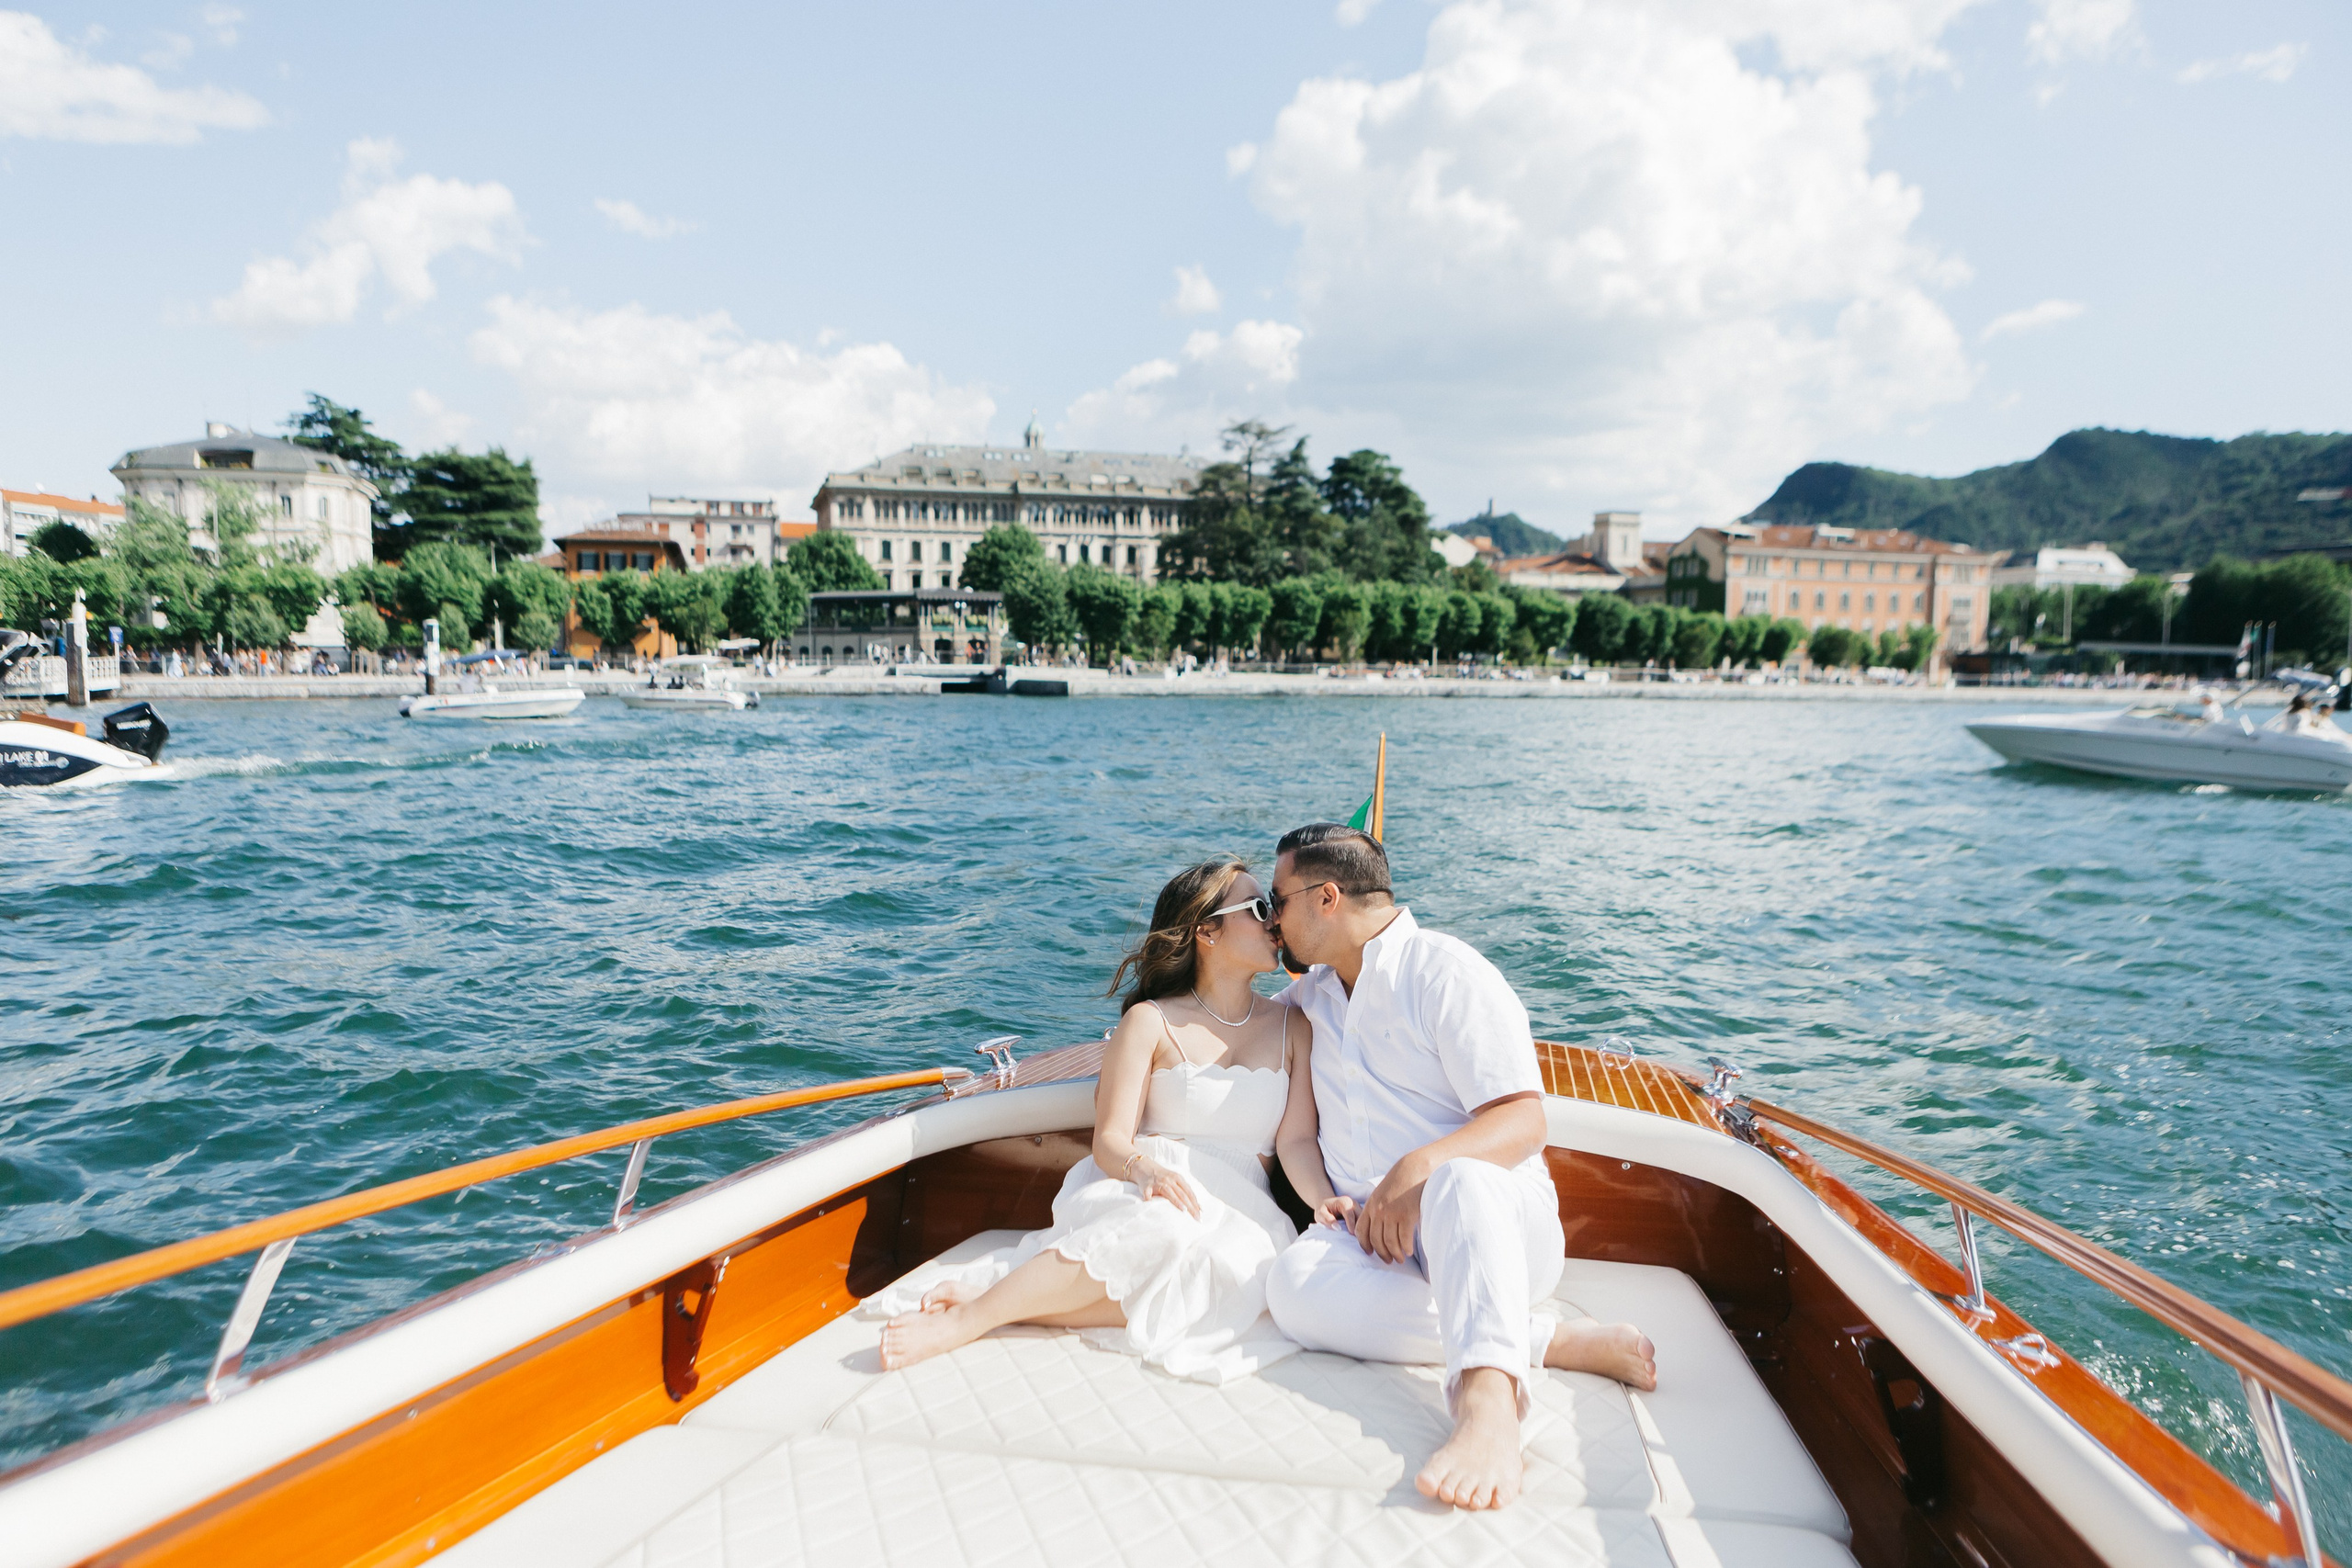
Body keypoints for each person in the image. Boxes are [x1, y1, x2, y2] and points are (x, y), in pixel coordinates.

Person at [1263, 823, 1656, 1513]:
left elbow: (1524, 1122)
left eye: (1277, 900)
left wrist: (1418, 1168)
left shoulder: (1447, 972)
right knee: (1292, 1285)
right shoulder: (1309, 1001)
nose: (1272, 920)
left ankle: (1487, 1408)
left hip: (1494, 1226)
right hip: (1377, 1241)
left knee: (1459, 1178)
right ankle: (1547, 1340)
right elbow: (1235, 1027)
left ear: (1326, 897)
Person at [867, 858, 1307, 1384]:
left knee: (1242, 1271)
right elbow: (1110, 1142)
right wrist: (1148, 1173)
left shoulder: (1294, 1026)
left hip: (1243, 1204)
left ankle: (1011, 1296)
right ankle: (971, 1318)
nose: (1275, 922)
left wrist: (1326, 1203)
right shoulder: (1149, 1021)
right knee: (1165, 1232)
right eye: (1260, 908)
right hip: (1147, 1183)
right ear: (1206, 931)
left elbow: (1298, 1141)